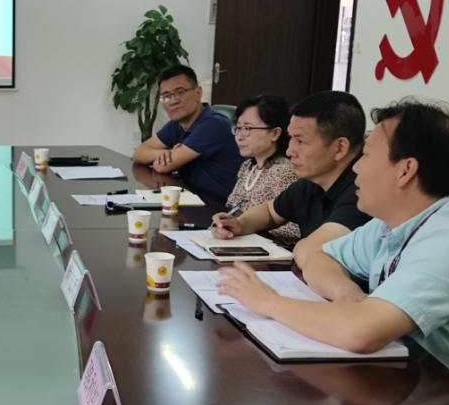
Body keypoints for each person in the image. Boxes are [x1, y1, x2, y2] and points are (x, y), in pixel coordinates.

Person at [218, 98, 449, 405]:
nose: (356, 167)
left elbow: (360, 334)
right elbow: (317, 256)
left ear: (405, 170)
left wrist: (268, 302)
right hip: (433, 389)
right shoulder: (395, 222)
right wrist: (347, 294)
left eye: (367, 156)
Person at [211, 90, 368, 265]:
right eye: (291, 139)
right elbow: (270, 212)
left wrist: (300, 247)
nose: (289, 151)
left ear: (339, 148)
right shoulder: (312, 182)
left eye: (300, 141)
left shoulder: (363, 190)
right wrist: (240, 224)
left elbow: (311, 252)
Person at [131, 64, 242, 201]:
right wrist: (166, 153)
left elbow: (162, 166)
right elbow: (138, 153)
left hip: (219, 205)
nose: (173, 101)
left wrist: (166, 157)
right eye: (166, 96)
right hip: (192, 196)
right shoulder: (177, 124)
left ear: (198, 93)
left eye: (180, 92)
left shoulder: (213, 124)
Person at [224, 94, 300, 244]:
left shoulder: (285, 172)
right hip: (238, 240)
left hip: (267, 250)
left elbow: (291, 230)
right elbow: (232, 208)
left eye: (247, 128)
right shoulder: (248, 166)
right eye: (238, 128)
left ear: (275, 133)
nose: (239, 136)